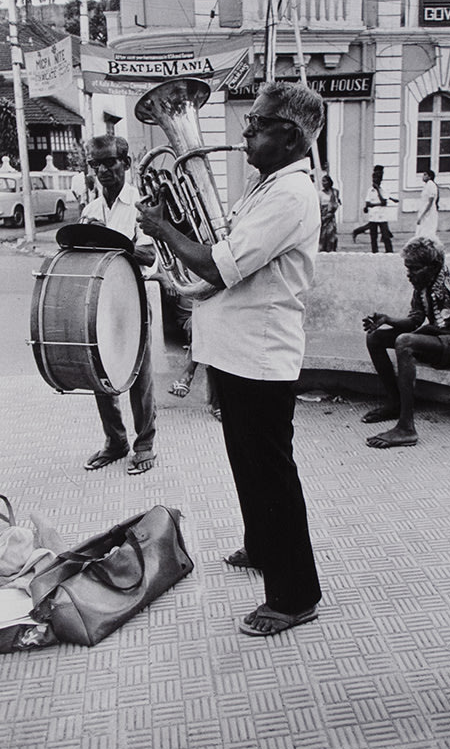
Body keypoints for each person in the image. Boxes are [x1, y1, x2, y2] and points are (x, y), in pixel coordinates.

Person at [137, 80, 323, 636]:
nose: (245, 130)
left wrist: (162, 226)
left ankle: (294, 597)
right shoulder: (265, 186)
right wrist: (171, 226)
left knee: (272, 475)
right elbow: (215, 248)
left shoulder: (291, 195)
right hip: (237, 351)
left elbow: (219, 266)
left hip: (260, 355)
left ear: (288, 135)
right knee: (249, 464)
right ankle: (263, 546)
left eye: (256, 123)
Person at [361, 236, 450, 449]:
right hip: (442, 341)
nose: (409, 274)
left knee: (405, 343)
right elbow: (415, 321)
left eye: (414, 269)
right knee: (375, 338)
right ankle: (395, 402)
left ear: (434, 266)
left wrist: (431, 331)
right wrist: (387, 320)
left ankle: (406, 428)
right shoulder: (422, 284)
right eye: (407, 268)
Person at [81, 135, 157, 475]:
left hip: (133, 301)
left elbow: (149, 254)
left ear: (125, 164)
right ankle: (115, 441)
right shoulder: (91, 209)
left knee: (139, 375)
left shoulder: (142, 204)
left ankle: (145, 444)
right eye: (96, 164)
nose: (102, 170)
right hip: (98, 302)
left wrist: (108, 240)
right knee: (100, 371)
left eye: (109, 162)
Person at [352, 165, 397, 252]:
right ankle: (375, 252)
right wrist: (369, 206)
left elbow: (383, 202)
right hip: (373, 216)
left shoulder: (384, 189)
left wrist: (377, 193)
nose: (374, 181)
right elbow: (368, 203)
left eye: (377, 178)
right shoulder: (370, 190)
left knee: (385, 235)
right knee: (373, 236)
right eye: (374, 179)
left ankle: (389, 251)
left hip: (382, 216)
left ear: (380, 179)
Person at [318, 174, 340, 252]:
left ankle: (331, 249)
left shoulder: (335, 192)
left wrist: (331, 212)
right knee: (323, 234)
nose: (323, 183)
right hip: (323, 217)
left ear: (329, 182)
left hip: (331, 217)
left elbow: (337, 202)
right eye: (322, 181)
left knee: (331, 233)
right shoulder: (320, 193)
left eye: (325, 181)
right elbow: (319, 206)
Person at [416, 169, 439, 239]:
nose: (423, 176)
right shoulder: (427, 185)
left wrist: (422, 215)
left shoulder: (431, 185)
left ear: (430, 176)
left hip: (428, 212)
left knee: (427, 232)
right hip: (424, 210)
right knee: (422, 231)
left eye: (425, 175)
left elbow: (430, 202)